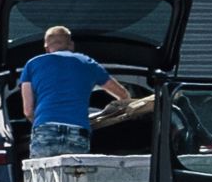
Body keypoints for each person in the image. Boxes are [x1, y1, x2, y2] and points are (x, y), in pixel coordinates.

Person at [16, 25, 137, 158]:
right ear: (71, 45)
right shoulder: (88, 64)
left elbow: (27, 111)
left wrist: (42, 124)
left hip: (45, 129)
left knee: (42, 177)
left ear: (46, 48)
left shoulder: (32, 65)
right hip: (77, 130)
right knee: (75, 176)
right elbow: (123, 94)